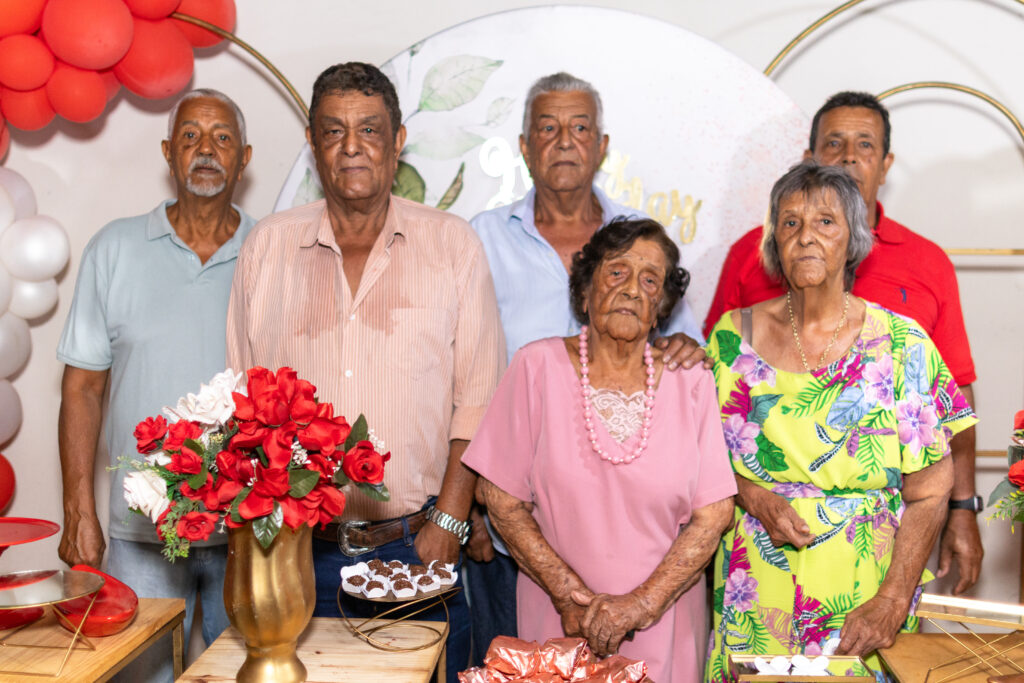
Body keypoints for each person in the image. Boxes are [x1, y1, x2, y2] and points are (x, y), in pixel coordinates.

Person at [225, 62, 504, 682]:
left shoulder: (451, 245)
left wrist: (450, 522)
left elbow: (479, 398)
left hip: (415, 545)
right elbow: (241, 400)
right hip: (292, 553)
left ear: (398, 139)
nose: (351, 146)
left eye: (370, 130)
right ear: (312, 142)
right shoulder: (268, 248)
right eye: (333, 130)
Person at [703, 161, 977, 682]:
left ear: (853, 238)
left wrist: (894, 598)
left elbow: (931, 488)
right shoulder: (727, 340)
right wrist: (752, 493)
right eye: (790, 223)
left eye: (825, 222)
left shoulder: (902, 343)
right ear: (772, 241)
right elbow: (697, 465)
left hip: (864, 599)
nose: (806, 236)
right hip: (755, 590)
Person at [466, 72, 706, 663]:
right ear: (524, 146)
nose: (565, 141)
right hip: (512, 534)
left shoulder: (638, 237)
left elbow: (689, 345)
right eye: (548, 129)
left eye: (579, 128)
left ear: (601, 145)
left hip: (655, 589)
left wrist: (685, 351)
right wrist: (465, 507)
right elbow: (462, 373)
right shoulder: (481, 239)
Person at [463, 217, 736, 683]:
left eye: (650, 280)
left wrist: (642, 605)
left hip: (664, 624)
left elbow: (714, 516)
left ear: (661, 308)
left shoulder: (691, 382)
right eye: (617, 272)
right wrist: (567, 595)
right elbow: (501, 500)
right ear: (585, 292)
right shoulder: (536, 366)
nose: (632, 289)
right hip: (559, 622)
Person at [57, 89, 255, 682]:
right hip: (141, 534)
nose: (206, 151)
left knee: (246, 676)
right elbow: (82, 390)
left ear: (244, 158)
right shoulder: (114, 249)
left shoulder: (273, 252)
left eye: (222, 138)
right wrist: (78, 510)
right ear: (169, 152)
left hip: (250, 533)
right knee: (138, 676)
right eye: (191, 136)